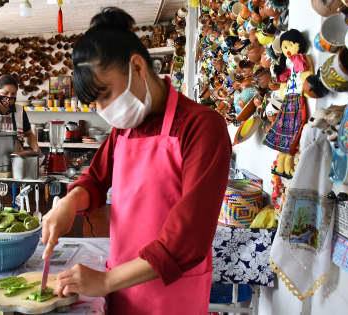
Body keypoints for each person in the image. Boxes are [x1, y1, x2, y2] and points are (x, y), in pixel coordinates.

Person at [41, 7, 231, 314]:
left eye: (105, 94)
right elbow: (96, 179)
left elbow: (189, 237)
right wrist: (69, 202)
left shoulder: (201, 126)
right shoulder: (124, 130)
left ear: (138, 67)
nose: (102, 109)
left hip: (171, 292)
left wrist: (105, 282)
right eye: (95, 103)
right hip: (120, 285)